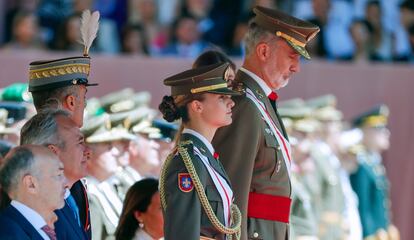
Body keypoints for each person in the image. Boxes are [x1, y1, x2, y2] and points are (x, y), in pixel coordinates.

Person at [212, 6, 319, 240]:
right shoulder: (244, 106)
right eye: (292, 56)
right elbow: (231, 195)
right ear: (263, 51)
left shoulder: (259, 103)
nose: (296, 67)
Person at [158, 62, 242, 239]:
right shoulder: (187, 163)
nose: (231, 103)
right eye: (221, 98)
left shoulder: (204, 157)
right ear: (197, 106)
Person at [20, 109, 91, 240]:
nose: (88, 151)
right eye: (80, 143)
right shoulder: (36, 209)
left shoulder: (68, 197)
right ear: (52, 152)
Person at [350, 105, 400, 240]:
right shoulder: (361, 165)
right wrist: (370, 235)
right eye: (379, 129)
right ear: (364, 132)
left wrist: (386, 227)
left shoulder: (374, 165)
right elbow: (363, 207)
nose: (386, 133)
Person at [0, 145, 67, 239]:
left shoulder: (52, 226)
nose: (66, 183)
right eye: (58, 175)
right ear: (31, 184)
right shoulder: (8, 234)